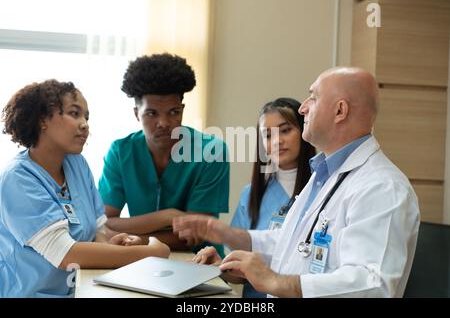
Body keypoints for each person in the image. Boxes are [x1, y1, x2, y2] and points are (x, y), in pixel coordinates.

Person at [173, 67, 420, 298]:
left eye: (312, 97)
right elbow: (291, 244)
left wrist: (277, 282)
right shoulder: (325, 175)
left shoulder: (381, 186)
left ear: (340, 111)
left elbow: (373, 284)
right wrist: (232, 249)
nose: (303, 108)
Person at [0, 80, 170, 298]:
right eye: (74, 113)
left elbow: (99, 231)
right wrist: (148, 253)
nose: (84, 124)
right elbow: (65, 254)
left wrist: (118, 244)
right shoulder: (17, 179)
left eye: (86, 117)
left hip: (79, 290)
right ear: (43, 120)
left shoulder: (77, 164)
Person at [98, 53, 229, 255]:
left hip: (200, 263)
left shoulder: (211, 151)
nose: (164, 123)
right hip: (140, 262)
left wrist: (138, 240)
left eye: (173, 112)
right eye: (152, 113)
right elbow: (104, 223)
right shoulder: (121, 151)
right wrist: (168, 216)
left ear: (183, 110)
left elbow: (196, 235)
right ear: (136, 114)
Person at [230, 97, 315, 297]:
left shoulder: (324, 190)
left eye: (285, 130)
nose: (277, 141)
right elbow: (239, 271)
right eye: (268, 135)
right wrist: (220, 265)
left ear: (304, 130)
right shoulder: (250, 195)